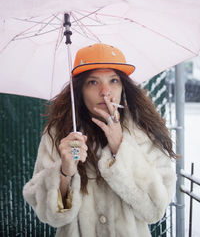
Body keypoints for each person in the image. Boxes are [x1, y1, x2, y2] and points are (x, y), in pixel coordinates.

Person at [23, 43, 176, 237]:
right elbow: (50, 216)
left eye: (113, 80)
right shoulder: (59, 135)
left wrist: (120, 146)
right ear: (80, 89)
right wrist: (64, 172)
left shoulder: (143, 133)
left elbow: (154, 210)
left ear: (123, 87)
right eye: (93, 82)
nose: (105, 91)